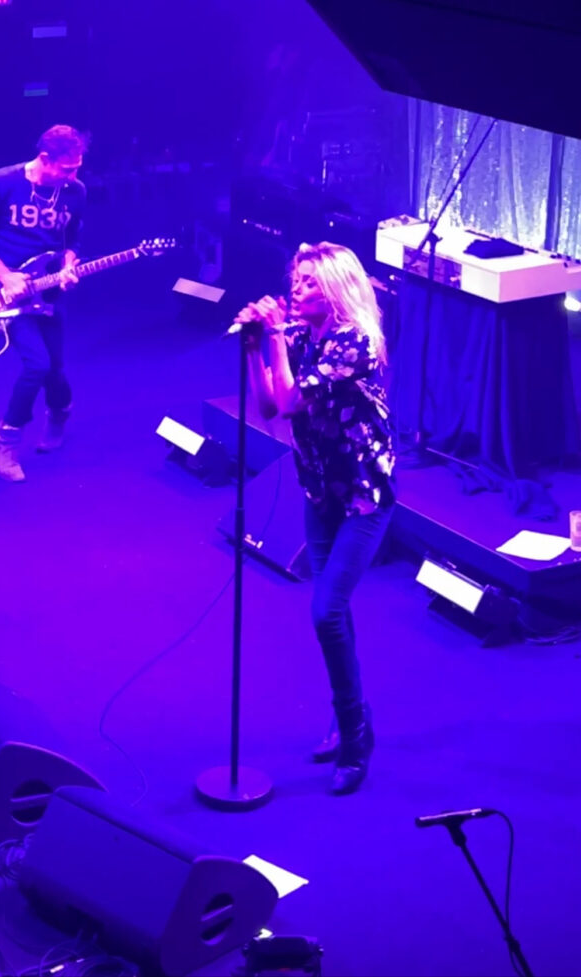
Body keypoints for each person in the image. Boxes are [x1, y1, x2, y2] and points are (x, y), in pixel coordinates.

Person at [237, 242, 396, 794]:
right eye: (294, 279)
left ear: (333, 287)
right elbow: (267, 406)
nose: (295, 288)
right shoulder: (303, 336)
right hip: (318, 491)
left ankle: (355, 734)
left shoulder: (356, 343)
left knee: (326, 612)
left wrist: (276, 337)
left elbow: (291, 399)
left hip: (360, 496)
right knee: (336, 614)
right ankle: (351, 718)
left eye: (307, 281)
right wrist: (257, 348)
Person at [0, 124, 89, 481]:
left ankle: (60, 412)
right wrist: (5, 275)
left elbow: (74, 238)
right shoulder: (4, 182)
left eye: (77, 167)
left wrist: (68, 265)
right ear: (45, 159)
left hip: (48, 292)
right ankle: (5, 444)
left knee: (56, 369)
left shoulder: (75, 191)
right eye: (66, 169)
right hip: (8, 292)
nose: (73, 175)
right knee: (37, 364)